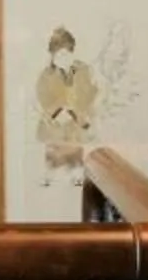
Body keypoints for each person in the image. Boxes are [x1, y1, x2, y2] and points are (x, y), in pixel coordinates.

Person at [35, 26, 101, 183]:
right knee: (54, 144)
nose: (64, 57)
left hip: (76, 115)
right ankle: (50, 168)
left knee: (75, 142)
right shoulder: (47, 74)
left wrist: (77, 108)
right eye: (60, 54)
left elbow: (90, 91)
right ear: (53, 55)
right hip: (56, 116)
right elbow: (43, 95)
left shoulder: (82, 70)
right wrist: (57, 109)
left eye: (67, 53)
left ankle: (75, 168)